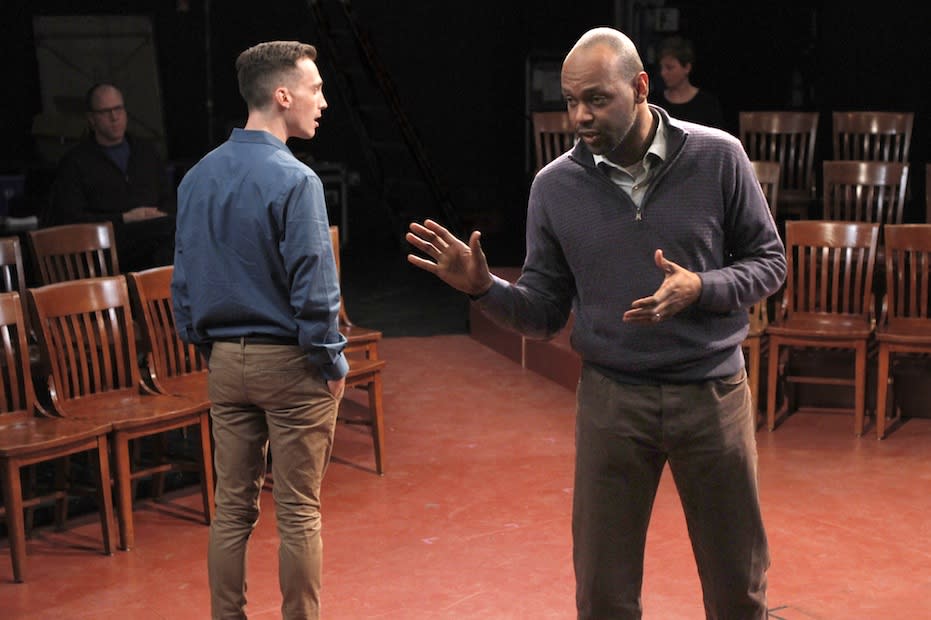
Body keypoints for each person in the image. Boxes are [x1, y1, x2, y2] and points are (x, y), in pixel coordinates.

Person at [406, 27, 785, 620]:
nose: (580, 115)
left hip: (711, 394)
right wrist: (484, 288)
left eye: (597, 99)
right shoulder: (554, 187)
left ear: (639, 87)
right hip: (613, 400)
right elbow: (543, 311)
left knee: (739, 586)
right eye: (571, 100)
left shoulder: (718, 156)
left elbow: (770, 263)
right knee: (603, 596)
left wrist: (702, 288)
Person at [171, 41, 348, 619]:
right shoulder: (297, 181)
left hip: (224, 362)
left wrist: (206, 348)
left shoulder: (196, 178)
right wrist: (331, 364)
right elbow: (315, 289)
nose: (323, 100)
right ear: (282, 95)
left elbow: (185, 280)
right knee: (298, 511)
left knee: (230, 510)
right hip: (290, 363)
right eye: (315, 88)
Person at [48, 82, 176, 272]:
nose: (114, 117)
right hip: (108, 245)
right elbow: (71, 219)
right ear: (92, 119)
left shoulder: (145, 151)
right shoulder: (75, 161)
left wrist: (159, 214)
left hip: (157, 233)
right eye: (105, 112)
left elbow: (169, 197)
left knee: (177, 231)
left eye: (118, 109)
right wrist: (124, 218)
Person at [651, 35, 725, 129]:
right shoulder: (655, 103)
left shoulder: (707, 104)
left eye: (669, 68)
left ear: (687, 68)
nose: (663, 73)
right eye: (661, 68)